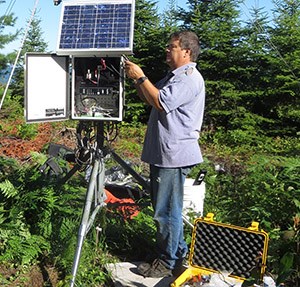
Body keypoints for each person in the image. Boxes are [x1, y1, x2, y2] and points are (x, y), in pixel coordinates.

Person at [124, 30, 205, 278]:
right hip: (166, 154)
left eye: (171, 47)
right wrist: (137, 80)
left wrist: (140, 76)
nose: (166, 51)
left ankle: (168, 262)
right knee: (169, 208)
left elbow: (160, 101)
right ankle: (177, 254)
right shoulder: (174, 77)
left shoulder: (188, 78)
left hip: (173, 155)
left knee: (165, 211)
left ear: (186, 52)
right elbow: (150, 96)